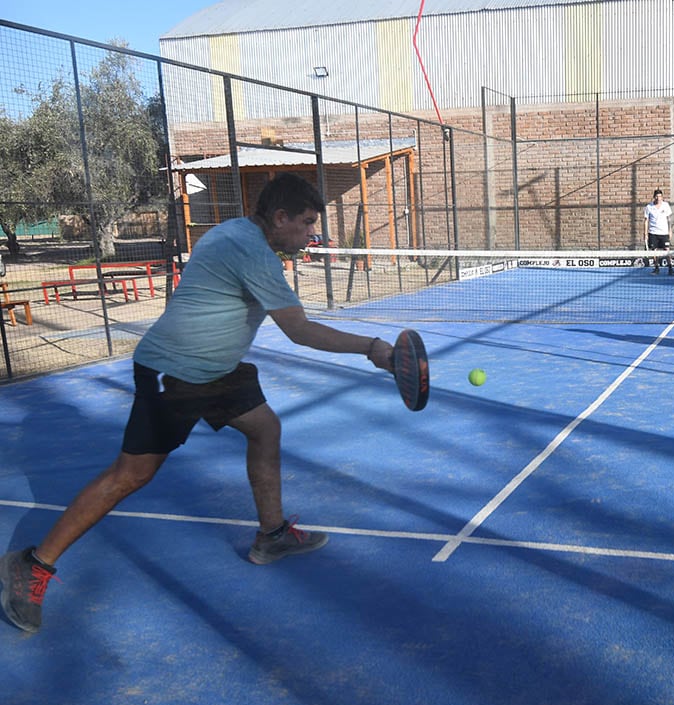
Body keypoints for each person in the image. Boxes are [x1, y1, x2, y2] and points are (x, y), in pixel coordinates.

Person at [0, 173, 396, 633]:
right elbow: (300, 330)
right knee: (130, 476)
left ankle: (271, 535)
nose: (311, 233)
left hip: (215, 371)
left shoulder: (235, 232)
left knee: (265, 428)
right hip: (175, 372)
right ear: (280, 217)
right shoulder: (251, 251)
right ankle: (33, 564)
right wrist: (372, 348)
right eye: (306, 223)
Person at [643, 189, 674, 276]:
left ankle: (670, 268)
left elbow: (669, 219)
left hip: (664, 233)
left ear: (662, 197)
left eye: (660, 196)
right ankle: (656, 268)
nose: (658, 198)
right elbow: (646, 220)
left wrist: (670, 230)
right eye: (657, 196)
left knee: (667, 250)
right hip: (653, 232)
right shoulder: (649, 207)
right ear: (654, 197)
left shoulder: (666, 205)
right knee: (654, 251)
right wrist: (645, 233)